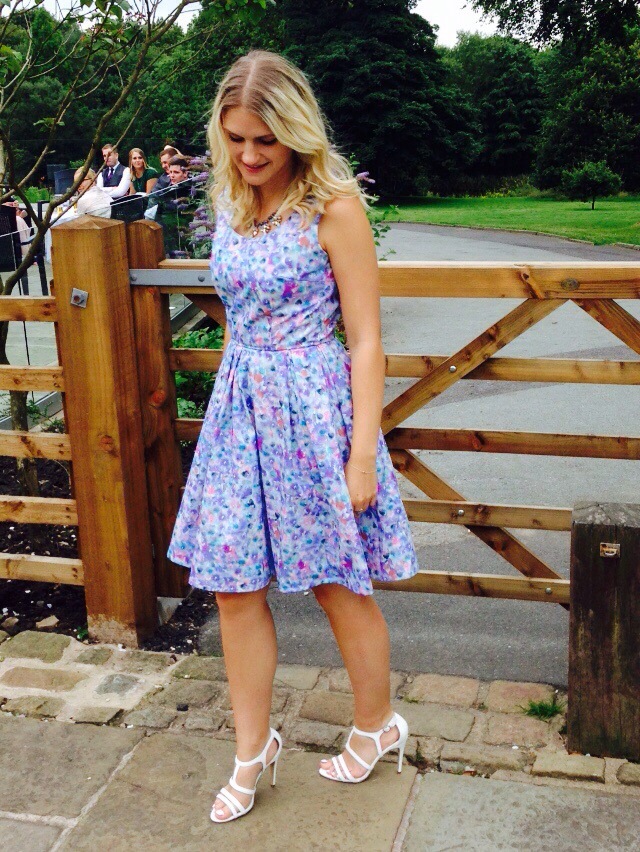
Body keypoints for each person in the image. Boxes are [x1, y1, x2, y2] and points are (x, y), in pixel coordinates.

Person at [167, 50, 419, 825]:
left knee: (337, 581)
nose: (249, 156)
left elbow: (367, 340)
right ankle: (252, 751)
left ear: (296, 132)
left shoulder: (332, 208)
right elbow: (237, 309)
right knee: (233, 587)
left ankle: (377, 725)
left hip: (314, 414)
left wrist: (361, 454)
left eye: (265, 141)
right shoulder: (231, 199)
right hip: (240, 410)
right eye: (236, 138)